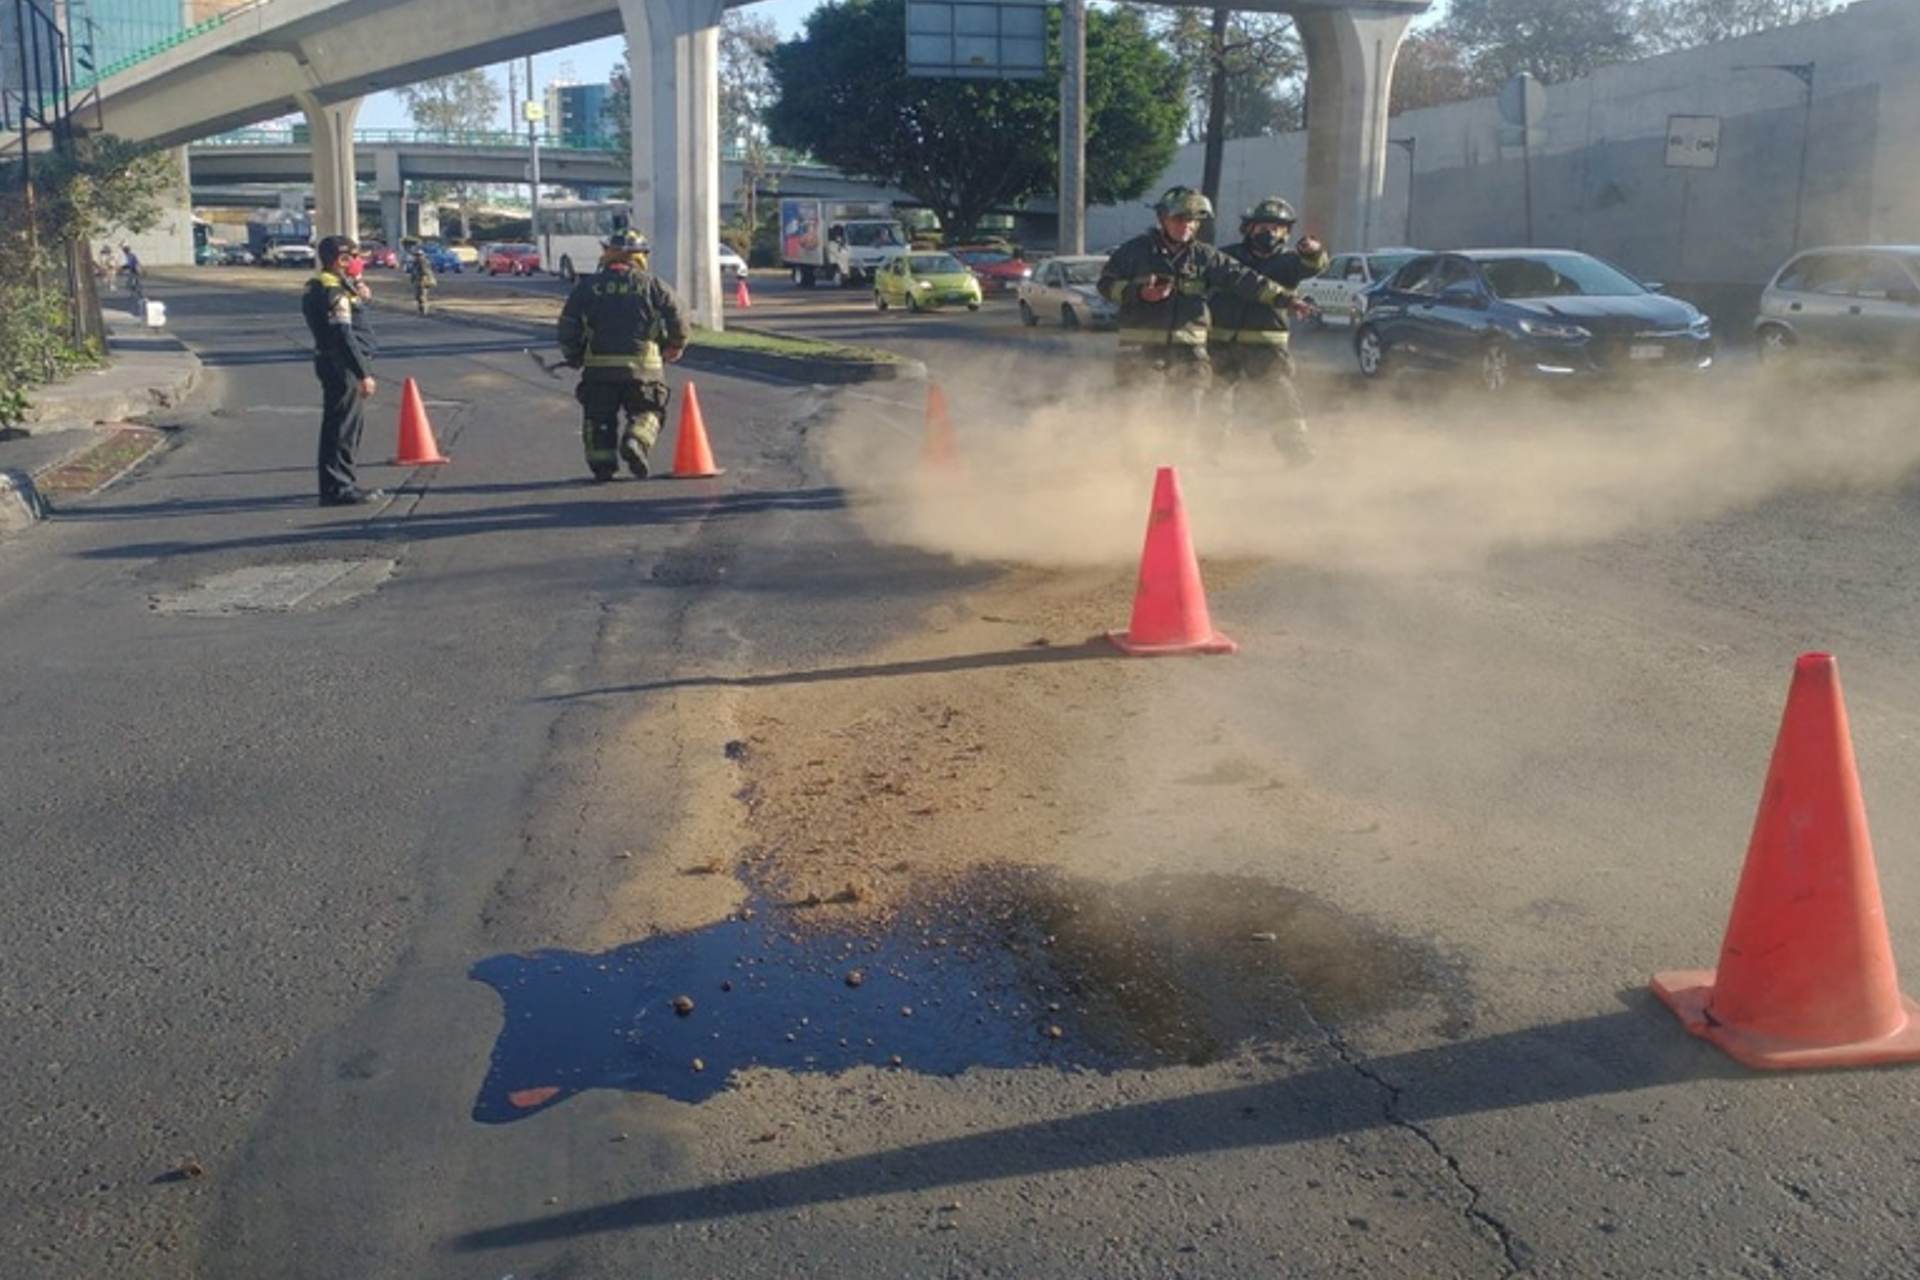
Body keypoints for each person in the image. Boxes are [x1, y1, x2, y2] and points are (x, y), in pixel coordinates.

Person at [1096, 186, 1298, 424]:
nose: (1187, 226)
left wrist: (1286, 299)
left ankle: (1178, 462)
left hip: (1189, 354)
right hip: (1142, 352)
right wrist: (1138, 292)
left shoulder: (1206, 256)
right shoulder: (1134, 251)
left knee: (1186, 420)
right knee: (1140, 416)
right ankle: (1136, 461)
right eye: (1180, 219)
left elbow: (1245, 279)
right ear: (1163, 219)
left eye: (1193, 221)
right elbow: (1105, 285)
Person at [556, 228, 689, 481]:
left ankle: (602, 467)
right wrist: (675, 344)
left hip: (598, 371)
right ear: (641, 256)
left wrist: (573, 355)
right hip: (644, 371)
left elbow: (568, 325)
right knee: (649, 411)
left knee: (598, 419)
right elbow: (678, 317)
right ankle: (636, 440)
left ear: (607, 253)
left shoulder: (587, 287)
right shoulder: (653, 285)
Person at [1207, 197, 1329, 464]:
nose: (1269, 233)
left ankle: (1296, 450)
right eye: (1263, 226)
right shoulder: (1227, 256)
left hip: (1266, 344)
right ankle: (1206, 452)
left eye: (1277, 227)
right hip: (1220, 341)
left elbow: (1314, 265)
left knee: (1279, 396)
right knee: (1214, 397)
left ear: (1287, 232)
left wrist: (1314, 251)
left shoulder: (1289, 262)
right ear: (1249, 229)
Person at [301, 236, 382, 506]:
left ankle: (337, 483)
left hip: (333, 361)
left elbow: (354, 314)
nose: (360, 262)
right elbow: (344, 335)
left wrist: (358, 286)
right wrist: (363, 373)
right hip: (343, 364)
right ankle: (339, 487)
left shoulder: (323, 284)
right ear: (342, 259)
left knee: (339, 426)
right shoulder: (334, 291)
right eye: (355, 257)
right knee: (343, 429)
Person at [407, 245, 436, 315]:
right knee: (418, 296)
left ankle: (424, 311)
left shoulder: (424, 262)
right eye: (416, 255)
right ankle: (421, 310)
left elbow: (427, 272)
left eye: (419, 255)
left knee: (422, 296)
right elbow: (413, 273)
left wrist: (425, 278)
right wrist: (412, 279)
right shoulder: (415, 263)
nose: (417, 256)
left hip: (423, 281)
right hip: (418, 281)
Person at [120, 244, 145, 316]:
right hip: (134, 271)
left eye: (124, 250)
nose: (124, 252)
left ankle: (138, 294)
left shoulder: (129, 256)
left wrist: (122, 267)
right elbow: (136, 262)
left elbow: (130, 264)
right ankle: (138, 293)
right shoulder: (132, 255)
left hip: (134, 271)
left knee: (131, 283)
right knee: (135, 282)